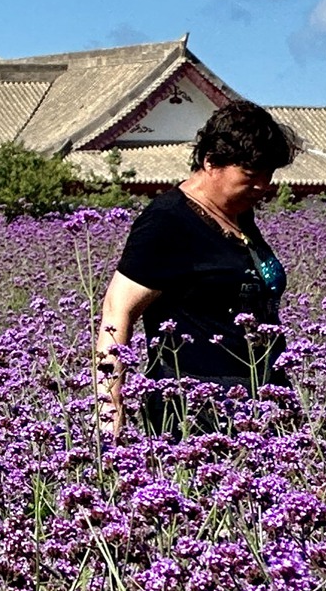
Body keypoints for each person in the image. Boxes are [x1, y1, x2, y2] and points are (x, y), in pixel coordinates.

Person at [95, 99, 300, 431]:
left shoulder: (239, 215)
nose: (263, 186)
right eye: (250, 174)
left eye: (269, 174)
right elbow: (117, 312)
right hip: (196, 410)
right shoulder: (168, 220)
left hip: (264, 402)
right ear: (210, 162)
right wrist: (110, 410)